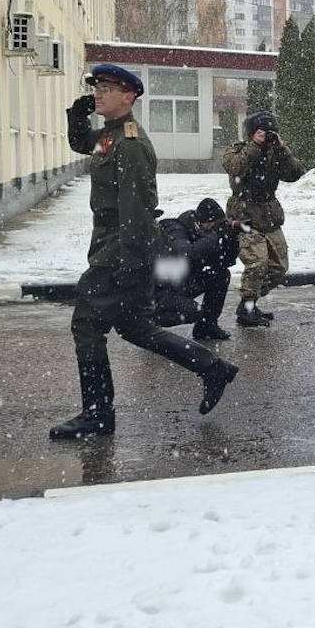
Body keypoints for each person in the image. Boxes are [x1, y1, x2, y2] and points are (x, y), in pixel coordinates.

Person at [51, 65, 239, 440]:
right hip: (117, 244)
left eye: (106, 88)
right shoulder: (110, 136)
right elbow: (81, 143)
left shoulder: (131, 145)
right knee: (137, 327)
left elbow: (137, 212)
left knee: (86, 324)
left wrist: (128, 264)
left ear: (129, 96)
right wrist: (77, 114)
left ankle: (98, 414)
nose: (99, 93)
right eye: (96, 88)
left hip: (121, 247)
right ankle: (211, 368)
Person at [221, 109, 304, 327]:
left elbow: (295, 174)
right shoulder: (237, 150)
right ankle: (247, 308)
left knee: (278, 268)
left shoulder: (276, 153)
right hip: (244, 215)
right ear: (250, 133)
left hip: (269, 215)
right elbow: (235, 168)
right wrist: (255, 147)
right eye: (261, 132)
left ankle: (250, 301)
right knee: (257, 263)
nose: (267, 136)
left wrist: (281, 148)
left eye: (270, 132)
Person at [153, 197, 241, 341]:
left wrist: (231, 239)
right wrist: (214, 235)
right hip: (159, 291)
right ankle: (148, 323)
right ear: (201, 222)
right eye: (215, 225)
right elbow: (187, 254)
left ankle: (207, 327)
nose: (217, 229)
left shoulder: (204, 235)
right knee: (194, 312)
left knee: (221, 274)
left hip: (180, 284)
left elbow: (225, 262)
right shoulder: (174, 228)